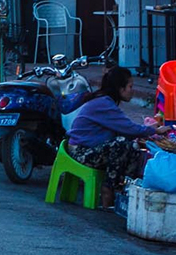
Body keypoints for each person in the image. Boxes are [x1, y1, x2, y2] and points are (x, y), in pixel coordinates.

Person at [66, 65, 164, 194]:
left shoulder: (106, 101)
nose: (132, 90)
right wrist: (154, 130)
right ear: (120, 88)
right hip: (80, 152)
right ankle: (109, 190)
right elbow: (129, 128)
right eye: (130, 87)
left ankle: (127, 189)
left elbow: (125, 128)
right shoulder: (103, 103)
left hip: (89, 148)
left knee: (133, 147)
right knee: (120, 144)